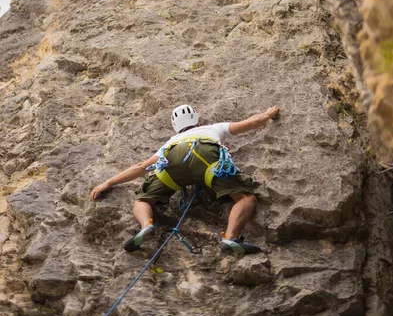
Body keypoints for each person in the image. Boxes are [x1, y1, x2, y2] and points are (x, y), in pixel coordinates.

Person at [90, 103, 279, 255]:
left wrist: (108, 182)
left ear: (175, 126)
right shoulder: (212, 128)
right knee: (246, 198)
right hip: (205, 157)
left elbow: (140, 167)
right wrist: (269, 113)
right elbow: (251, 122)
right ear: (196, 118)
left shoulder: (170, 142)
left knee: (143, 199)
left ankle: (146, 225)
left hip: (173, 159)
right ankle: (230, 238)